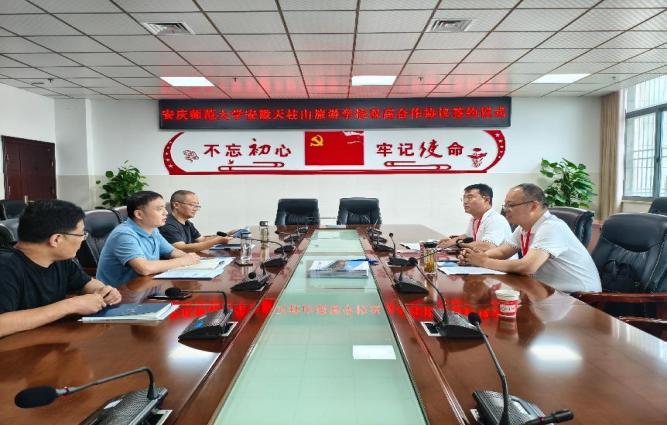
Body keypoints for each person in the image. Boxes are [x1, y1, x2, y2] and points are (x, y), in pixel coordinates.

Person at [0, 200, 122, 338]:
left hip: (49, 341)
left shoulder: (58, 259)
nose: (82, 240)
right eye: (81, 234)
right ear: (56, 239)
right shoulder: (5, 266)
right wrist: (69, 305)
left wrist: (104, 292)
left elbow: (86, 283)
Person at [459, 183, 601, 293]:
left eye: (511, 205)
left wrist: (484, 261)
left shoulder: (551, 227)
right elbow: (503, 251)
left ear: (533, 206)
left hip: (578, 297)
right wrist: (473, 256)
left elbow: (527, 266)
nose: (506, 210)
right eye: (505, 205)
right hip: (545, 291)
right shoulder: (523, 228)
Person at [96, 191, 200, 287]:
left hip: (145, 287)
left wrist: (189, 258)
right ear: (139, 214)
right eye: (159, 209)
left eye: (164, 208)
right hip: (121, 294)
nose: (166, 213)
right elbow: (144, 268)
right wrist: (182, 261)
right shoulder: (124, 234)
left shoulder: (153, 229)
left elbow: (172, 251)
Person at [438, 183, 512, 251]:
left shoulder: (496, 220)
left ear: (486, 200)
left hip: (500, 261)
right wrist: (451, 241)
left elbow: (488, 246)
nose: (465, 202)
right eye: (464, 198)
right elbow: (467, 236)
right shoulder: (474, 218)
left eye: (470, 197)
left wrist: (458, 243)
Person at [159, 190, 233, 252]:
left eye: (197, 206)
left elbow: (202, 240)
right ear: (176, 205)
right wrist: (216, 241)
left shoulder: (188, 223)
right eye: (192, 205)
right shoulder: (167, 224)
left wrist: (228, 234)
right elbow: (181, 248)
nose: (195, 209)